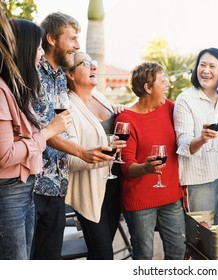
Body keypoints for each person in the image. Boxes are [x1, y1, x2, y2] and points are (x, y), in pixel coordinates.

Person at [32, 12, 114, 260]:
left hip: (57, 186)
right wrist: (82, 152)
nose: (78, 45)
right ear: (52, 39)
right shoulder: (34, 75)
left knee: (49, 260)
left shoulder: (59, 77)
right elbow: (41, 130)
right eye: (72, 38)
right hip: (34, 185)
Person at [0, 14, 70, 259]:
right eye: (39, 47)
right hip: (9, 190)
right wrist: (49, 131)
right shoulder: (1, 92)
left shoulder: (18, 89)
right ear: (26, 48)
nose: (41, 53)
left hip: (25, 186)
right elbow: (5, 155)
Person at [116, 62, 185, 260]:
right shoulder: (126, 119)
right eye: (162, 81)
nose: (167, 85)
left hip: (171, 197)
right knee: (144, 256)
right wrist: (146, 168)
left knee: (178, 251)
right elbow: (127, 167)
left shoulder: (170, 108)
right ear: (148, 87)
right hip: (140, 202)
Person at [64, 52, 126, 259]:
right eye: (86, 63)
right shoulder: (67, 107)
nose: (94, 68)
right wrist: (107, 153)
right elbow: (69, 158)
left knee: (101, 252)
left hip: (114, 186)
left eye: (94, 63)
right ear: (70, 74)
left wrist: (119, 111)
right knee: (103, 255)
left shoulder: (100, 97)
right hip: (90, 191)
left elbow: (108, 133)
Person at [174, 47, 218, 226]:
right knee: (202, 240)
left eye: (211, 66)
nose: (205, 71)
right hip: (199, 180)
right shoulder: (185, 99)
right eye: (202, 65)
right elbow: (183, 142)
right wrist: (202, 139)